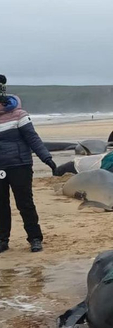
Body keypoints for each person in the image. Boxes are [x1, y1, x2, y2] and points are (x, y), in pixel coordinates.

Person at [0, 74, 57, 254]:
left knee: (25, 203)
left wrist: (47, 158)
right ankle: (2, 240)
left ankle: (35, 239)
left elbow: (33, 138)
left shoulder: (19, 114)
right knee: (1, 205)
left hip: (20, 165)